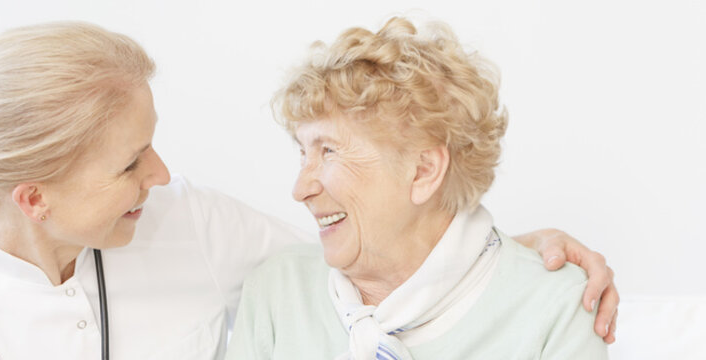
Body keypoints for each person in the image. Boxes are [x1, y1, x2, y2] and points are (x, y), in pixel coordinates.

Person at [0, 21, 616, 359]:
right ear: (34, 198)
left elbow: (382, 257)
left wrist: (506, 255)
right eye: (131, 163)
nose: (160, 175)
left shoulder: (191, 227)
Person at [226, 17, 608, 359]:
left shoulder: (553, 307)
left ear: (424, 171)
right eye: (302, 152)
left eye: (328, 151)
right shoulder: (277, 292)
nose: (300, 188)